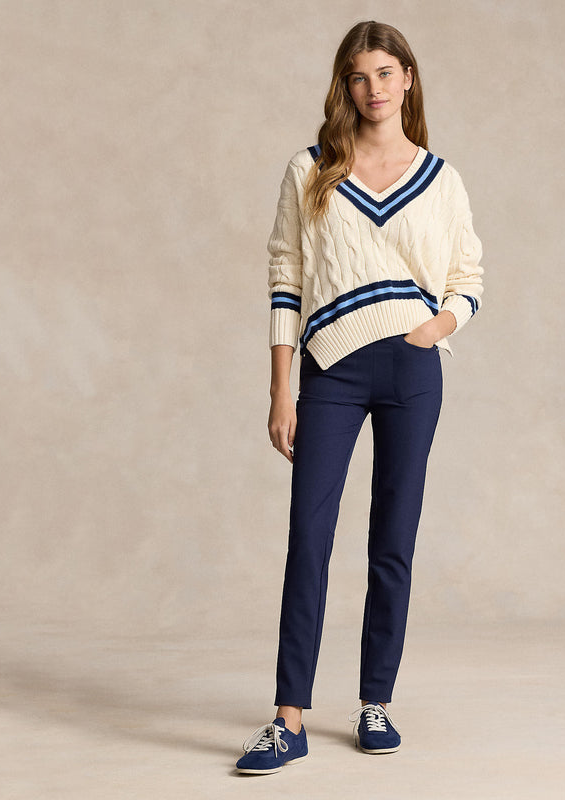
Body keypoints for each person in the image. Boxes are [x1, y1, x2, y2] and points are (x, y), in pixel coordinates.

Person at [235, 20, 484, 775]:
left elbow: (469, 279)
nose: (373, 88)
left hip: (412, 371)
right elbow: (286, 276)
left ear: (407, 78)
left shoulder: (440, 178)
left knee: (392, 541)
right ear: (345, 86)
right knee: (308, 539)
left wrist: (436, 327)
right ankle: (289, 719)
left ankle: (376, 702)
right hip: (330, 371)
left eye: (385, 72)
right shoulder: (310, 169)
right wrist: (281, 388)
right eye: (358, 75)